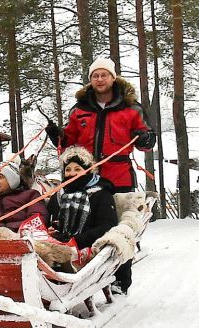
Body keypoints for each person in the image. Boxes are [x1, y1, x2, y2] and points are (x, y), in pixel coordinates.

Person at [45, 58, 154, 294]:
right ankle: (85, 269)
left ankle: (120, 279)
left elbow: (148, 139)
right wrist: (58, 136)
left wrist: (145, 138)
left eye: (104, 75)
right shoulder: (80, 109)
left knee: (119, 228)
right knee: (85, 222)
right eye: (95, 75)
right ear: (90, 80)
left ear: (113, 78)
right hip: (85, 177)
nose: (100, 79)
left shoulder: (131, 107)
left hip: (118, 175)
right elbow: (69, 142)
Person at [47, 146, 117, 256]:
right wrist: (48, 232)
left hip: (88, 249)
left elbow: (107, 226)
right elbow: (48, 221)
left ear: (87, 171)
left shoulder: (101, 195)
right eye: (68, 169)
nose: (72, 174)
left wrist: (76, 241)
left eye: (77, 169)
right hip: (55, 247)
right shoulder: (57, 196)